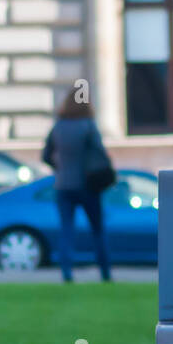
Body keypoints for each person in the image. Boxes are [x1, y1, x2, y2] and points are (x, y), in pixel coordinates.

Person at [41, 90, 113, 282]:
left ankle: (66, 273)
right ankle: (105, 273)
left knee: (66, 230)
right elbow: (99, 152)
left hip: (63, 186)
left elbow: (46, 155)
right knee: (97, 230)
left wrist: (60, 167)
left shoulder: (58, 127)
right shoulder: (88, 126)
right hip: (88, 185)